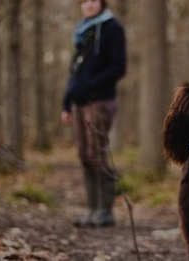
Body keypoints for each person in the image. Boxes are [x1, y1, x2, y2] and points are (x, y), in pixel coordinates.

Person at [61, 0, 126, 227]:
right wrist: (66, 103)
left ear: (102, 3)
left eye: (93, 0)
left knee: (98, 154)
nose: (89, 4)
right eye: (84, 1)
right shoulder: (83, 31)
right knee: (84, 155)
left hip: (100, 102)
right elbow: (74, 72)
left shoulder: (112, 29)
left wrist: (91, 85)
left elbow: (119, 67)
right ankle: (92, 209)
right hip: (79, 104)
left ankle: (105, 210)